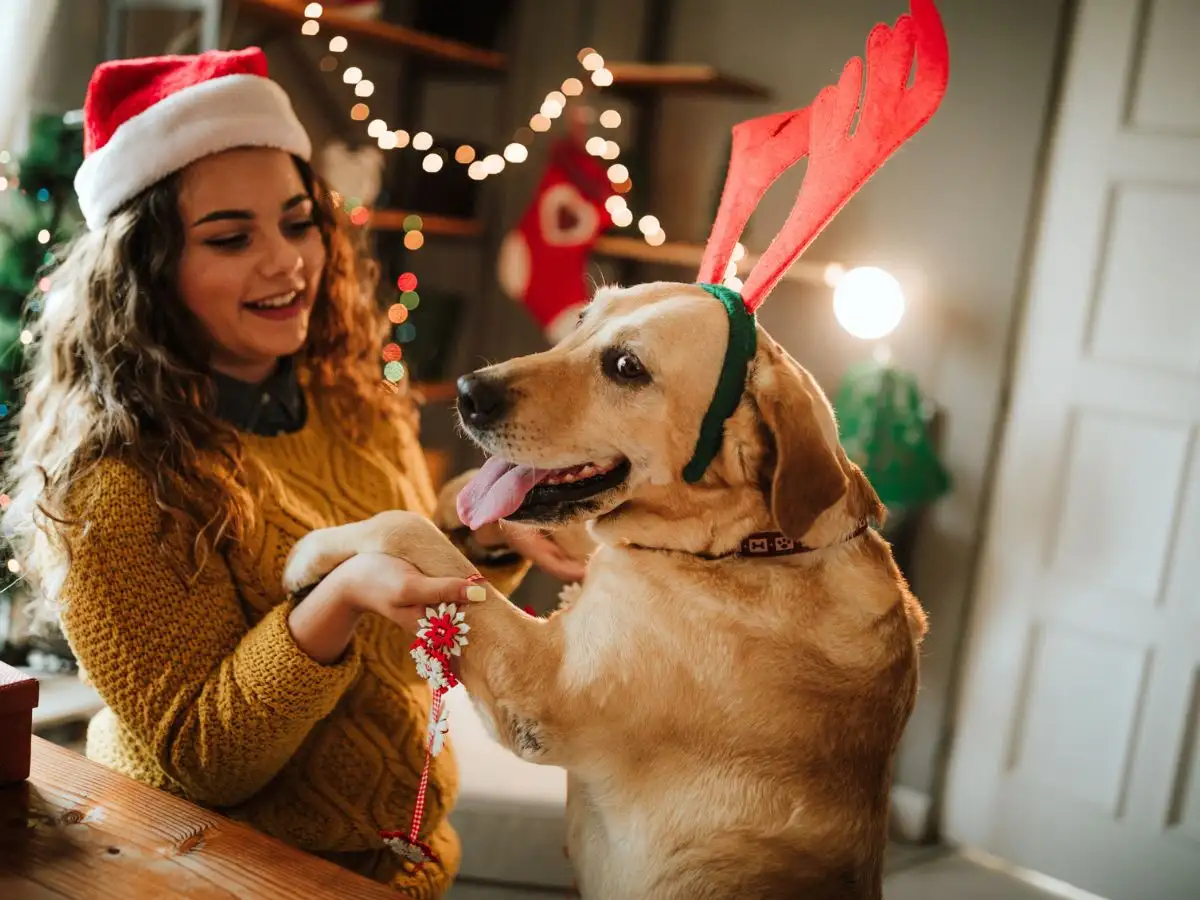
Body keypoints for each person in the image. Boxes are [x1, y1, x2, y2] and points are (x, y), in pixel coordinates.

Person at [2, 47, 584, 898]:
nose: (288, 262)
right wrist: (334, 600)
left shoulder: (354, 402)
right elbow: (207, 758)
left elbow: (397, 636)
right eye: (231, 237)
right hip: (219, 877)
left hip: (402, 868)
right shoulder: (111, 485)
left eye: (298, 221)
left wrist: (475, 539)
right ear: (145, 270)